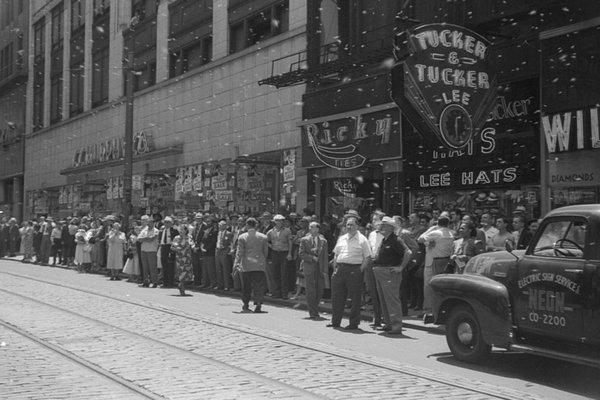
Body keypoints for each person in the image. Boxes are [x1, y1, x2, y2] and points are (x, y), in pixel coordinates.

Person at [329, 217, 372, 330]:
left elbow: (367, 257)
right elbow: (336, 254)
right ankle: (335, 322)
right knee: (337, 297)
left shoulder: (362, 239)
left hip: (354, 269)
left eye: (352, 225)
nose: (349, 227)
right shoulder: (342, 238)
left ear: (357, 226)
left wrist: (360, 270)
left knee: (355, 299)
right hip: (340, 269)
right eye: (348, 224)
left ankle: (353, 324)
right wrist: (335, 268)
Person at [372, 217, 413, 334]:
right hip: (381, 271)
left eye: (383, 225)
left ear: (390, 227)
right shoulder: (385, 239)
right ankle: (389, 324)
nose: (380, 227)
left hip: (389, 272)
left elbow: (408, 252)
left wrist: (401, 267)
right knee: (384, 299)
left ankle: (396, 326)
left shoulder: (396, 240)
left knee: (391, 300)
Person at [418, 215, 454, 314]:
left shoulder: (435, 232)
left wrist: (431, 228)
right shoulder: (452, 233)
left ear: (438, 222)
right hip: (446, 261)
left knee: (428, 286)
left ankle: (428, 310)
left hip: (433, 262)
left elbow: (420, 239)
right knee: (442, 287)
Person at [233, 217, 269, 313]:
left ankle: (246, 304)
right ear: (256, 225)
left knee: (246, 286)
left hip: (246, 265)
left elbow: (239, 252)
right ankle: (258, 304)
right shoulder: (263, 237)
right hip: (259, 264)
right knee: (259, 285)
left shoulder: (242, 237)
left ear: (247, 225)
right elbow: (265, 252)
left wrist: (236, 263)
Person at [298, 222, 328, 319]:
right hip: (309, 268)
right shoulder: (304, 240)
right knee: (311, 290)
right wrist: (311, 258)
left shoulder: (323, 241)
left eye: (314, 228)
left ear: (318, 229)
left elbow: (325, 257)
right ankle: (313, 312)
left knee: (319, 290)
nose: (312, 229)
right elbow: (301, 254)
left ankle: (314, 308)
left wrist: (325, 270)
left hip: (320, 269)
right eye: (310, 228)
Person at [266, 214, 293, 299]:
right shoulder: (271, 231)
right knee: (275, 273)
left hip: (284, 253)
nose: (280, 222)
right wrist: (271, 246)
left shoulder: (287, 231)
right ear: (274, 222)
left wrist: (289, 253)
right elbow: (265, 240)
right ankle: (277, 292)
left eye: (281, 220)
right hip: (275, 253)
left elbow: (290, 242)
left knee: (284, 273)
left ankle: (284, 293)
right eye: (277, 220)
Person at [366, 214, 384, 327]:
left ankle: (384, 317)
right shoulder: (372, 234)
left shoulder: (386, 234)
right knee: (373, 291)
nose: (373, 222)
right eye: (373, 220)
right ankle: (376, 317)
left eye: (376, 220)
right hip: (371, 263)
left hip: (382, 264)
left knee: (381, 292)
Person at [171, 224, 195, 296]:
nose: (181, 231)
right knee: (181, 272)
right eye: (180, 230)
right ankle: (181, 286)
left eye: (183, 230)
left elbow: (192, 244)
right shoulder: (176, 237)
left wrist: (194, 247)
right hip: (180, 257)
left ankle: (182, 285)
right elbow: (172, 247)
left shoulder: (189, 237)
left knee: (186, 272)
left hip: (187, 257)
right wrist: (176, 248)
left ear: (186, 230)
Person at [138, 215, 160, 287]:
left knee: (152, 267)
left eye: (150, 222)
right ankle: (146, 281)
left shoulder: (156, 230)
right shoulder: (144, 230)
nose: (148, 223)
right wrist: (147, 238)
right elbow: (139, 239)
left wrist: (145, 239)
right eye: (148, 222)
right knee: (145, 267)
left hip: (152, 250)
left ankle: (154, 282)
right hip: (144, 250)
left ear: (153, 223)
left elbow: (152, 239)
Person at [158, 216, 178, 288]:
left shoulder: (174, 230)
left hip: (170, 247)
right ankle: (165, 282)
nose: (166, 224)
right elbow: (160, 239)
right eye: (165, 222)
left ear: (171, 223)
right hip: (163, 247)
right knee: (164, 265)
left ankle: (170, 282)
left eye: (168, 222)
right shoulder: (162, 230)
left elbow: (176, 239)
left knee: (170, 265)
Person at [215, 219, 234, 291]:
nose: (219, 226)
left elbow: (231, 244)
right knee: (218, 269)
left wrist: (227, 251)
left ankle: (227, 285)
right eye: (219, 225)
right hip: (218, 250)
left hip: (224, 251)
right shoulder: (218, 233)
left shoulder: (229, 233)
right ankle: (220, 284)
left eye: (221, 225)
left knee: (225, 269)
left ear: (225, 226)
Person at [200, 215, 218, 289]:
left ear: (212, 222)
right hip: (204, 252)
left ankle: (213, 284)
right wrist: (202, 247)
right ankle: (205, 283)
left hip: (210, 252)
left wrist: (206, 249)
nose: (207, 223)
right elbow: (203, 240)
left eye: (209, 221)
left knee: (211, 269)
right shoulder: (206, 230)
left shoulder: (215, 231)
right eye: (207, 221)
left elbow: (213, 242)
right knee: (205, 269)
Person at [191, 213, 206, 286]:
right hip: (195, 249)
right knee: (195, 265)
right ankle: (196, 281)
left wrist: (199, 246)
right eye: (197, 219)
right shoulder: (195, 227)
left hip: (201, 249)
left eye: (199, 218)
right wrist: (193, 245)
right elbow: (192, 237)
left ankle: (202, 281)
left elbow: (205, 238)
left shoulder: (205, 227)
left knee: (202, 266)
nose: (198, 220)